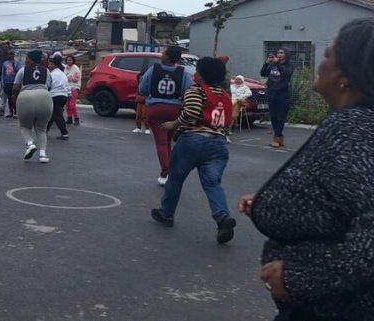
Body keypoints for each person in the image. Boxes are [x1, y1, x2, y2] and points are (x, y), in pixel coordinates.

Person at [238, 18, 374, 318]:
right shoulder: (353, 124)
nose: (319, 64)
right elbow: (339, 202)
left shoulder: (353, 131)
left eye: (327, 55)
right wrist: (274, 204)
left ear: (345, 76)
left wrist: (300, 279)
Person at [150, 56, 237, 244]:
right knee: (212, 183)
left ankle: (166, 213)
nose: (194, 74)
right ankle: (222, 217)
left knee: (175, 177)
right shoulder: (224, 96)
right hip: (218, 144)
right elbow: (228, 120)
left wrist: (174, 123)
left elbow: (191, 112)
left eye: (197, 71)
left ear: (202, 76)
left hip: (193, 140)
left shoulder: (195, 91)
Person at [139, 45, 194, 186]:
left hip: (156, 108)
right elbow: (190, 89)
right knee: (168, 141)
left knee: (161, 142)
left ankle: (165, 173)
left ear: (167, 57)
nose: (162, 54)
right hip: (175, 109)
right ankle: (170, 170)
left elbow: (142, 88)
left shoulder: (154, 69)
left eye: (164, 53)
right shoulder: (183, 72)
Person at [14, 50, 54, 163]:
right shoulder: (47, 71)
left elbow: (15, 88)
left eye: (27, 58)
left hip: (26, 97)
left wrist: (16, 98)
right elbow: (49, 86)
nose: (25, 60)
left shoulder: (23, 70)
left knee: (24, 126)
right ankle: (43, 155)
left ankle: (30, 144)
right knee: (41, 128)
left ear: (31, 60)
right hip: (44, 97)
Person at [261, 48, 294, 148]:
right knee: (273, 116)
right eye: (278, 53)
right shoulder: (273, 64)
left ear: (286, 55)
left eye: (281, 53)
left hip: (283, 94)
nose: (279, 54)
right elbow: (263, 73)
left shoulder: (289, 65)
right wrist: (266, 63)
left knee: (281, 116)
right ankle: (279, 136)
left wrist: (277, 64)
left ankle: (276, 138)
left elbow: (285, 74)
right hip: (272, 92)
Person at [45, 55, 71, 140]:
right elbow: (67, 85)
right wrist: (69, 94)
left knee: (57, 115)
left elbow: (48, 85)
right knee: (52, 115)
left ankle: (64, 134)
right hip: (63, 96)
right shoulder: (62, 73)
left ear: (56, 65)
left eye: (51, 64)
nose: (49, 66)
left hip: (55, 96)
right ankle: (44, 131)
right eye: (49, 64)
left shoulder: (52, 74)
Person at [64, 55, 82, 126]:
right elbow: (64, 77)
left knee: (72, 104)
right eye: (67, 60)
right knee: (67, 104)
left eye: (70, 60)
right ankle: (69, 118)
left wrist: (68, 78)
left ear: (73, 61)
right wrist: (68, 78)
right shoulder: (65, 68)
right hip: (67, 88)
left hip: (74, 88)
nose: (68, 61)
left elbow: (76, 79)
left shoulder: (76, 68)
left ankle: (76, 118)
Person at [0, 50, 19, 118]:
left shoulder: (17, 63)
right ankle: (11, 112)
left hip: (14, 83)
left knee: (15, 98)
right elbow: (3, 73)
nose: (10, 56)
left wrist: (14, 66)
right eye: (9, 54)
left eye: (12, 54)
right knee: (9, 98)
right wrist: (3, 82)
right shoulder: (4, 63)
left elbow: (19, 72)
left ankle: (16, 112)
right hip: (7, 82)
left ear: (14, 55)